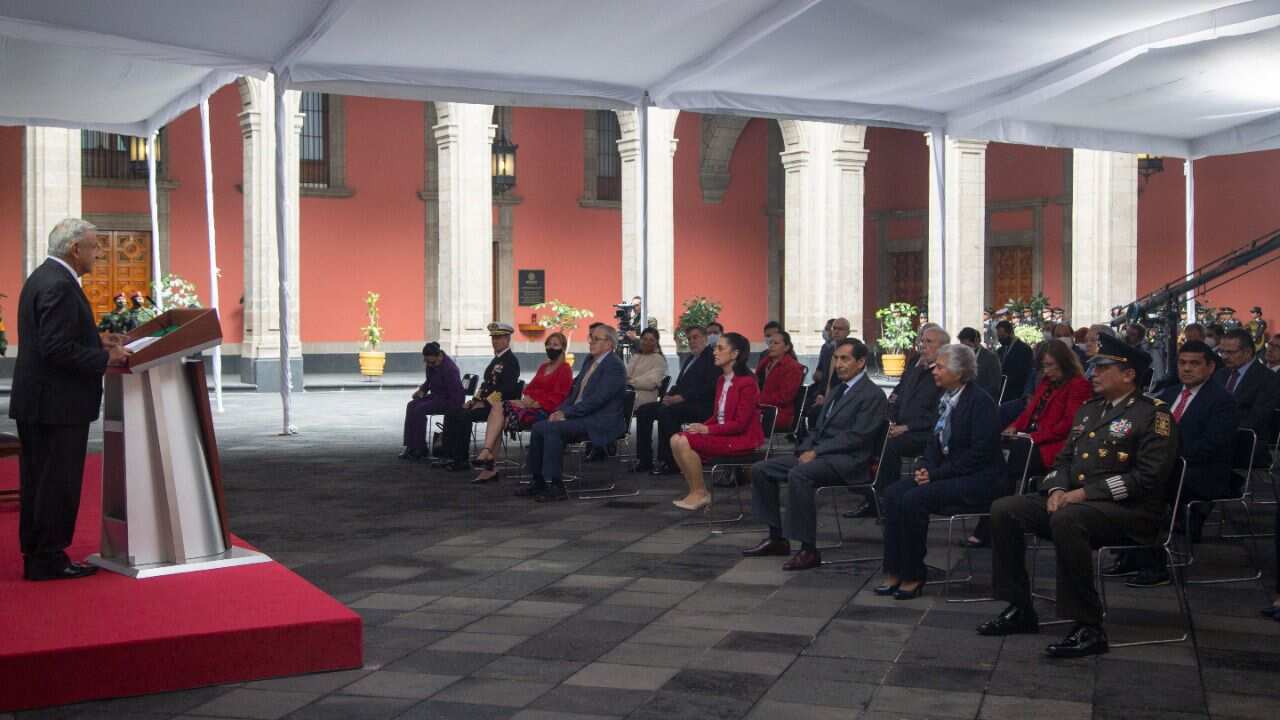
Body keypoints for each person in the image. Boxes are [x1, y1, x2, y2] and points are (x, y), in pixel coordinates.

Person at [976, 334, 1177, 659]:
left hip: (1128, 510)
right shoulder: (1089, 411)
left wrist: (1083, 493)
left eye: (1102, 367)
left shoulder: (1153, 415)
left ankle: (1088, 624)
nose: (1093, 373)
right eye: (1093, 367)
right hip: (1076, 501)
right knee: (1005, 509)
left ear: (1128, 374)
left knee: (1068, 518)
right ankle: (1019, 606)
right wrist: (1056, 487)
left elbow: (1148, 477)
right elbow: (1064, 459)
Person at [10, 218, 131, 581]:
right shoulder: (61, 285)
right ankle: (48, 558)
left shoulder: (44, 277)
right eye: (95, 246)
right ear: (75, 249)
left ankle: (39, 554)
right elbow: (56, 348)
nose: (98, 252)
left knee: (39, 482)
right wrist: (103, 357)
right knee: (57, 483)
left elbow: (54, 337)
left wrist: (97, 340)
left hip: (41, 402)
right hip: (57, 406)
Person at [743, 338, 887, 570]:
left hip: (849, 461)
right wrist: (806, 448)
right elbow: (818, 428)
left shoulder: (872, 394)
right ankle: (776, 537)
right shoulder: (838, 390)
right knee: (762, 469)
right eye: (836, 359)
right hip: (822, 455)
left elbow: (857, 437)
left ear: (861, 362)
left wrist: (816, 451)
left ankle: (808, 549)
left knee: (800, 474)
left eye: (845, 359)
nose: (839, 364)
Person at [876, 344, 1004, 599]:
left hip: (977, 480)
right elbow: (934, 443)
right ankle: (894, 569)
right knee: (893, 494)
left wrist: (935, 475)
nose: (934, 369)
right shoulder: (946, 399)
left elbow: (979, 455)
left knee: (913, 500)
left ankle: (913, 574)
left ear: (960, 372)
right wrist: (924, 466)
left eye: (941, 366)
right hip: (946, 474)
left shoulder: (980, 402)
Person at [1120, 340, 1237, 587]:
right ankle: (1130, 554)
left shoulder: (1221, 400)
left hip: (1200, 472)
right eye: (1182, 363)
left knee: (1149, 488)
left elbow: (1211, 446)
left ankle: (1155, 565)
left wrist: (1163, 458)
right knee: (1118, 474)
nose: (1187, 369)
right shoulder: (1169, 394)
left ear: (1210, 367)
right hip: (1164, 466)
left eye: (1194, 364)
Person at [964, 338, 1091, 548]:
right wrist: (1014, 426)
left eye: (1050, 365)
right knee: (999, 455)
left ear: (1064, 362)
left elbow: (1069, 423)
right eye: (1044, 366)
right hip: (1029, 441)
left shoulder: (1078, 385)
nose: (1046, 370)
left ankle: (990, 525)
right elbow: (1029, 412)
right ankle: (991, 519)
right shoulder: (1046, 383)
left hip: (1053, 445)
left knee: (1012, 462)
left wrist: (1035, 437)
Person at [518, 324, 626, 502]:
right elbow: (573, 392)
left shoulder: (614, 366)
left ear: (609, 344)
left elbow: (597, 400)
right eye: (590, 337)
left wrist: (567, 414)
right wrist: (560, 410)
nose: (590, 341)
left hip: (599, 419)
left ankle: (556, 485)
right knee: (539, 427)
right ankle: (537, 481)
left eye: (596, 339)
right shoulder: (590, 361)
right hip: (581, 415)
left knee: (553, 429)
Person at [669, 332, 764, 511]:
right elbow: (717, 416)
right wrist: (701, 426)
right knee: (675, 439)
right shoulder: (721, 379)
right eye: (715, 348)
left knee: (683, 441)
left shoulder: (747, 383)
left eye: (720, 348)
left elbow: (740, 424)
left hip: (740, 439)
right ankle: (695, 490)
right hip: (724, 434)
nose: (714, 352)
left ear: (735, 354)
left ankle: (700, 493)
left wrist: (707, 430)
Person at [471, 333, 573, 482]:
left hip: (545, 410)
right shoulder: (543, 367)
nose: (551, 348)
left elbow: (559, 396)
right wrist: (527, 401)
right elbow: (529, 388)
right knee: (498, 408)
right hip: (529, 405)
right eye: (548, 344)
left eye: (555, 345)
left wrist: (534, 401)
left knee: (499, 418)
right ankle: (487, 454)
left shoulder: (565, 369)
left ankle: (488, 461)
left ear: (563, 348)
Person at [866, 326, 947, 513]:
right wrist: (890, 419)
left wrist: (907, 427)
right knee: (871, 433)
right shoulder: (915, 367)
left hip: (925, 432)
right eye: (922, 341)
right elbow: (897, 395)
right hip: (900, 425)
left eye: (929, 342)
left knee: (891, 445)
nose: (922, 346)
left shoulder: (943, 376)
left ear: (943, 348)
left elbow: (938, 414)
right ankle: (870, 495)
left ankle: (887, 498)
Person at [438, 322, 522, 471]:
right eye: (493, 338)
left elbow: (506, 390)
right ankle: (448, 455)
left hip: (497, 408)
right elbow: (485, 386)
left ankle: (461, 460)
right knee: (452, 412)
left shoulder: (511, 361)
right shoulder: (496, 360)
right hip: (484, 403)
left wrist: (485, 403)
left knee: (464, 416)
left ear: (507, 339)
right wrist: (474, 401)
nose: (494, 341)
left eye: (499, 338)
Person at [633, 325, 717, 474]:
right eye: (689, 338)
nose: (692, 341)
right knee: (644, 410)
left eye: (695, 337)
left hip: (701, 405)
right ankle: (644, 459)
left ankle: (670, 461)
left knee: (667, 413)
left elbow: (709, 386)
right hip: (681, 402)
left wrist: (681, 397)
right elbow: (680, 383)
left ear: (705, 338)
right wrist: (669, 395)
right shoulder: (691, 357)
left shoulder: (711, 357)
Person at [1215, 327, 1279, 469]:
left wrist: (1221, 432)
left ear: (1248, 352)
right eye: (1222, 351)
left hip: (1245, 440)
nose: (1224, 356)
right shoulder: (1219, 375)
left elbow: (1257, 417)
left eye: (1230, 352)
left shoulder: (1268, 379)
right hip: (1215, 437)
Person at [399, 342, 465, 460]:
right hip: (435, 396)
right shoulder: (431, 364)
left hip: (448, 399)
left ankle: (420, 448)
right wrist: (421, 391)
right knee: (411, 405)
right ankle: (410, 446)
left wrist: (455, 410)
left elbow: (456, 394)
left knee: (420, 409)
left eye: (431, 362)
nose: (429, 365)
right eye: (426, 362)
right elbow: (428, 381)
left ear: (439, 356)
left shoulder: (450, 369)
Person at [756, 330, 804, 433]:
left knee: (741, 417)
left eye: (776, 343)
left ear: (786, 347)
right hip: (762, 408)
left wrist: (759, 400)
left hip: (779, 413)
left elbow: (784, 397)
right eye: (770, 343)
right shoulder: (766, 362)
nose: (771, 346)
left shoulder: (792, 367)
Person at [626, 327, 667, 407]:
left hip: (643, 399)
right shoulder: (636, 356)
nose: (647, 342)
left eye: (651, 340)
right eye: (644, 339)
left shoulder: (658, 359)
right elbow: (626, 374)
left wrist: (630, 382)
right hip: (628, 394)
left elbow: (652, 382)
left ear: (656, 342)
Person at [958, 327, 1001, 402]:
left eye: (968, 346)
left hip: (983, 399)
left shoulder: (990, 358)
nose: (965, 349)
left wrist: (976, 397)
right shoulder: (961, 356)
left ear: (976, 341)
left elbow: (994, 385)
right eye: (963, 346)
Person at [995, 320, 1033, 402]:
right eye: (998, 336)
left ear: (1010, 333)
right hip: (1002, 392)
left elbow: (1026, 372)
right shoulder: (1000, 350)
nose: (1000, 339)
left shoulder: (1024, 349)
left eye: (1002, 336)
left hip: (1017, 392)